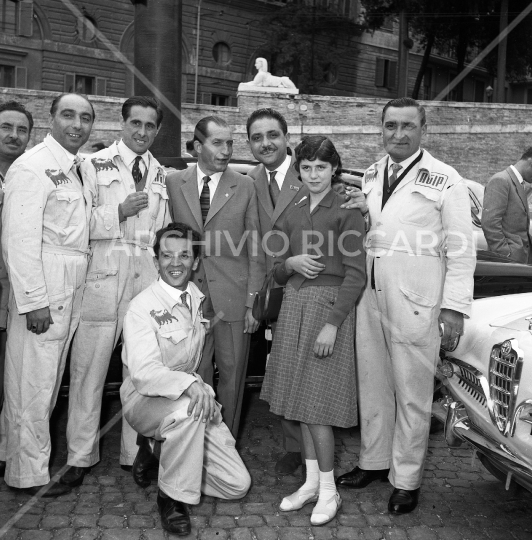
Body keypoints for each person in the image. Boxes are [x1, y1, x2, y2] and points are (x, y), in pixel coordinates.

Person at [336, 97, 475, 514]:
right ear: (381, 128)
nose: (398, 134)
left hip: (417, 303)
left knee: (413, 393)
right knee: (373, 384)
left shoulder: (446, 179)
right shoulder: (373, 174)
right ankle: (375, 462)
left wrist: (453, 307)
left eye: (407, 126)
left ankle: (407, 479)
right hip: (371, 298)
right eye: (390, 126)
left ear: (422, 129)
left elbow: (462, 248)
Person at [60, 96, 170, 488]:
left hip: (145, 275)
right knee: (89, 369)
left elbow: (165, 231)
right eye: (135, 123)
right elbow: (75, 223)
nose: (142, 132)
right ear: (123, 124)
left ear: (158, 130)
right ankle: (78, 457)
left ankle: (134, 454)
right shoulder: (94, 164)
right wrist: (117, 213)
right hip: (104, 274)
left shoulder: (161, 174)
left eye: (150, 126)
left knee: (139, 370)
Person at [260, 135, 366, 526]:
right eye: (306, 167)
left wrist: (332, 326)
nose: (314, 174)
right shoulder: (296, 206)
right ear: (298, 169)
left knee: (317, 407)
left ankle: (329, 490)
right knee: (298, 405)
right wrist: (291, 262)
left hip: (327, 310)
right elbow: (274, 266)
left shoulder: (346, 209)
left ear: (334, 169)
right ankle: (310, 483)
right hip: (294, 308)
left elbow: (356, 275)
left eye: (321, 167)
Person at [120, 222, 251, 535]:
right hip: (146, 400)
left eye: (183, 256)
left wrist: (192, 388)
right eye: (166, 256)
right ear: (156, 261)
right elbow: (144, 374)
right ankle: (170, 497)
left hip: (185, 396)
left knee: (237, 485)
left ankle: (158, 451)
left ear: (195, 262)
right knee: (189, 414)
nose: (175, 263)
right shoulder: (142, 307)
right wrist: (192, 386)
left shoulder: (195, 297)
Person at [1, 93, 94, 496]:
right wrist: (34, 300)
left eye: (85, 118)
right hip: (44, 287)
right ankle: (28, 475)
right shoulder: (33, 166)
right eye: (68, 115)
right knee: (32, 385)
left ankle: (11, 454)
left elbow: (82, 227)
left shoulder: (75, 168)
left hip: (68, 282)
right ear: (52, 119)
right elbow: (18, 240)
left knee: (46, 382)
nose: (77, 124)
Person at [166, 116, 265, 438]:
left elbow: (255, 249)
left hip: (233, 298)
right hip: (188, 298)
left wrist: (252, 303)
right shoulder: (173, 182)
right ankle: (198, 443)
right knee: (194, 373)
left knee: (233, 375)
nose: (226, 150)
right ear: (197, 147)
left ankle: (227, 445)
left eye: (230, 143)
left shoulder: (245, 185)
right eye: (218, 143)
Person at [246, 108, 304, 475]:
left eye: (272, 135)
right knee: (277, 369)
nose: (265, 143)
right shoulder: (245, 180)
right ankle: (292, 443)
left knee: (298, 370)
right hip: (265, 290)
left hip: (302, 287)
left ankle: (303, 449)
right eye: (256, 137)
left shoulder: (310, 173)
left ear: (287, 139)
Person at [0, 100, 33, 479]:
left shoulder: (26, 172)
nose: (13, 135)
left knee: (11, 382)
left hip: (14, 296)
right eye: (6, 127)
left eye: (21, 130)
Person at [481, 148, 532, 263]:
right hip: (508, 261)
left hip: (521, 260)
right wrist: (505, 254)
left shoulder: (519, 183)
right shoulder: (501, 180)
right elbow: (489, 223)